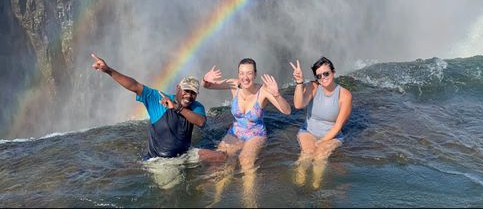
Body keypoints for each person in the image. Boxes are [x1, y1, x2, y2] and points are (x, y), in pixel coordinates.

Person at [90, 53, 227, 162]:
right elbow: (135, 86)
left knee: (222, 157)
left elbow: (201, 121)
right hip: (161, 161)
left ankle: (212, 189)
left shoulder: (196, 106)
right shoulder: (158, 98)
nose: (189, 96)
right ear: (178, 88)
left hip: (185, 154)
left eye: (193, 93)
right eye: (186, 90)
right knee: (172, 192)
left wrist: (176, 108)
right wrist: (108, 70)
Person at [201, 58, 291, 207]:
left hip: (255, 134)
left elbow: (287, 111)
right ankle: (217, 196)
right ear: (238, 74)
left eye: (249, 73)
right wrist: (205, 79)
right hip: (235, 131)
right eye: (242, 73)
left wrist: (276, 94)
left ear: (255, 74)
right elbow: (207, 86)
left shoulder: (263, 91)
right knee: (222, 158)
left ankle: (249, 201)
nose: (245, 77)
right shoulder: (234, 84)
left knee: (245, 161)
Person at [289, 56, 352, 189]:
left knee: (320, 157)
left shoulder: (344, 95)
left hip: (332, 135)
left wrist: (321, 142)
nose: (323, 77)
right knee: (307, 154)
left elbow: (338, 126)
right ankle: (299, 187)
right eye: (319, 76)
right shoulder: (313, 87)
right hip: (308, 131)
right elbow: (298, 104)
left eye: (326, 73)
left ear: (333, 72)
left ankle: (315, 186)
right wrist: (300, 82)